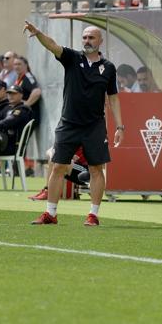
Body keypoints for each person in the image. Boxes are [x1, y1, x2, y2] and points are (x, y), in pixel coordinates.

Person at [23, 21, 124, 226]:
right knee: (58, 166)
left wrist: (120, 127)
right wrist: (39, 33)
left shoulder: (109, 68)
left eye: (91, 37)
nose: (87, 41)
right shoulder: (72, 57)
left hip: (94, 125)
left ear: (100, 41)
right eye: (85, 37)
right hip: (68, 123)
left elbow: (113, 97)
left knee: (96, 169)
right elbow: (52, 45)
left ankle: (93, 215)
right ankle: (51, 214)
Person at [13, 56, 41, 125]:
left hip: (28, 117)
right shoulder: (19, 79)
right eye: (15, 64)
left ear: (26, 65)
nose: (16, 67)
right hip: (21, 116)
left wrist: (26, 105)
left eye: (19, 64)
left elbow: (37, 92)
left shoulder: (28, 76)